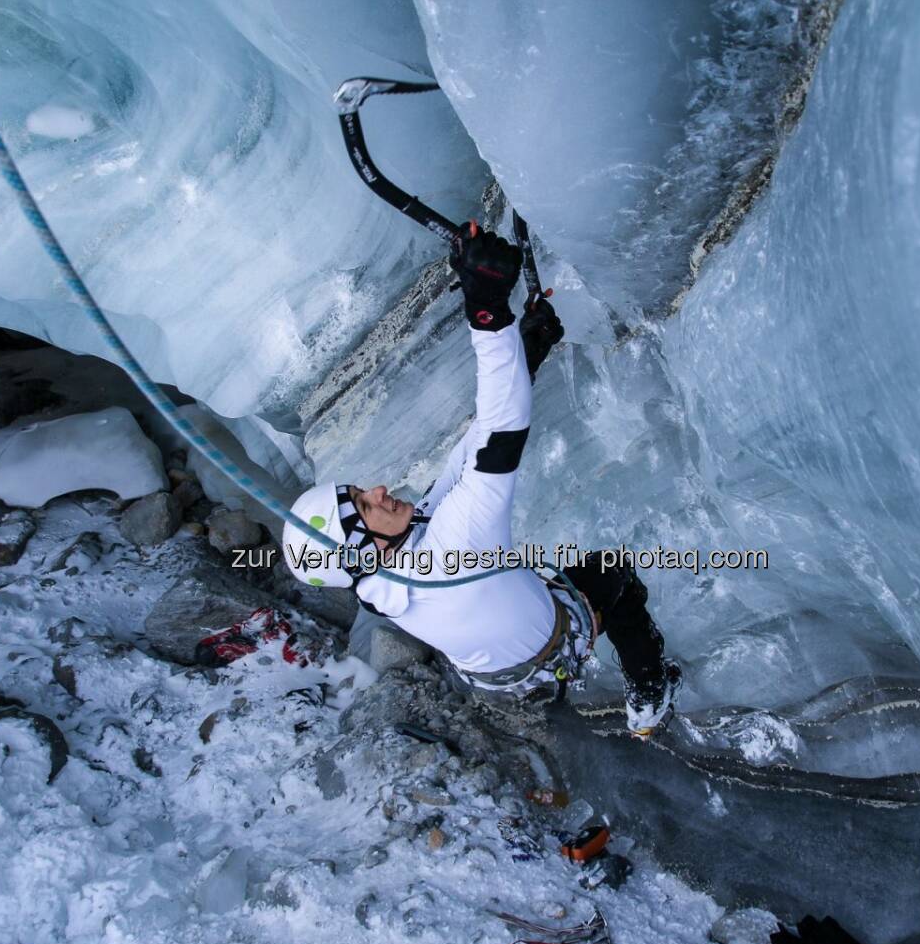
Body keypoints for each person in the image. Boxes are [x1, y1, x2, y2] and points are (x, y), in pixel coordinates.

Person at [282, 224, 681, 736]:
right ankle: (649, 701)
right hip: (553, 645)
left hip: (500, 673)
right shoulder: (451, 549)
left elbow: (463, 462)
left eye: (360, 491)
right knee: (613, 576)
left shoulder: (380, 580)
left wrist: (526, 356)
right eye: (364, 506)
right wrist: (489, 310)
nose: (379, 491)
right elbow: (501, 433)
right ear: (362, 551)